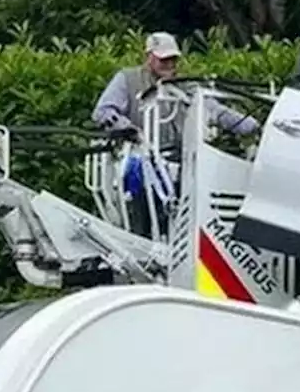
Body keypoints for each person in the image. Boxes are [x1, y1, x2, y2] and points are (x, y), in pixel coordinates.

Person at [92, 32, 261, 238]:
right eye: (164, 59)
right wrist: (130, 130)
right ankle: (143, 236)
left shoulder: (187, 86)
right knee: (140, 178)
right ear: (150, 57)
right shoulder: (127, 79)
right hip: (139, 158)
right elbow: (103, 112)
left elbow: (216, 111)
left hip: (180, 162)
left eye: (173, 59)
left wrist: (251, 125)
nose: (169, 64)